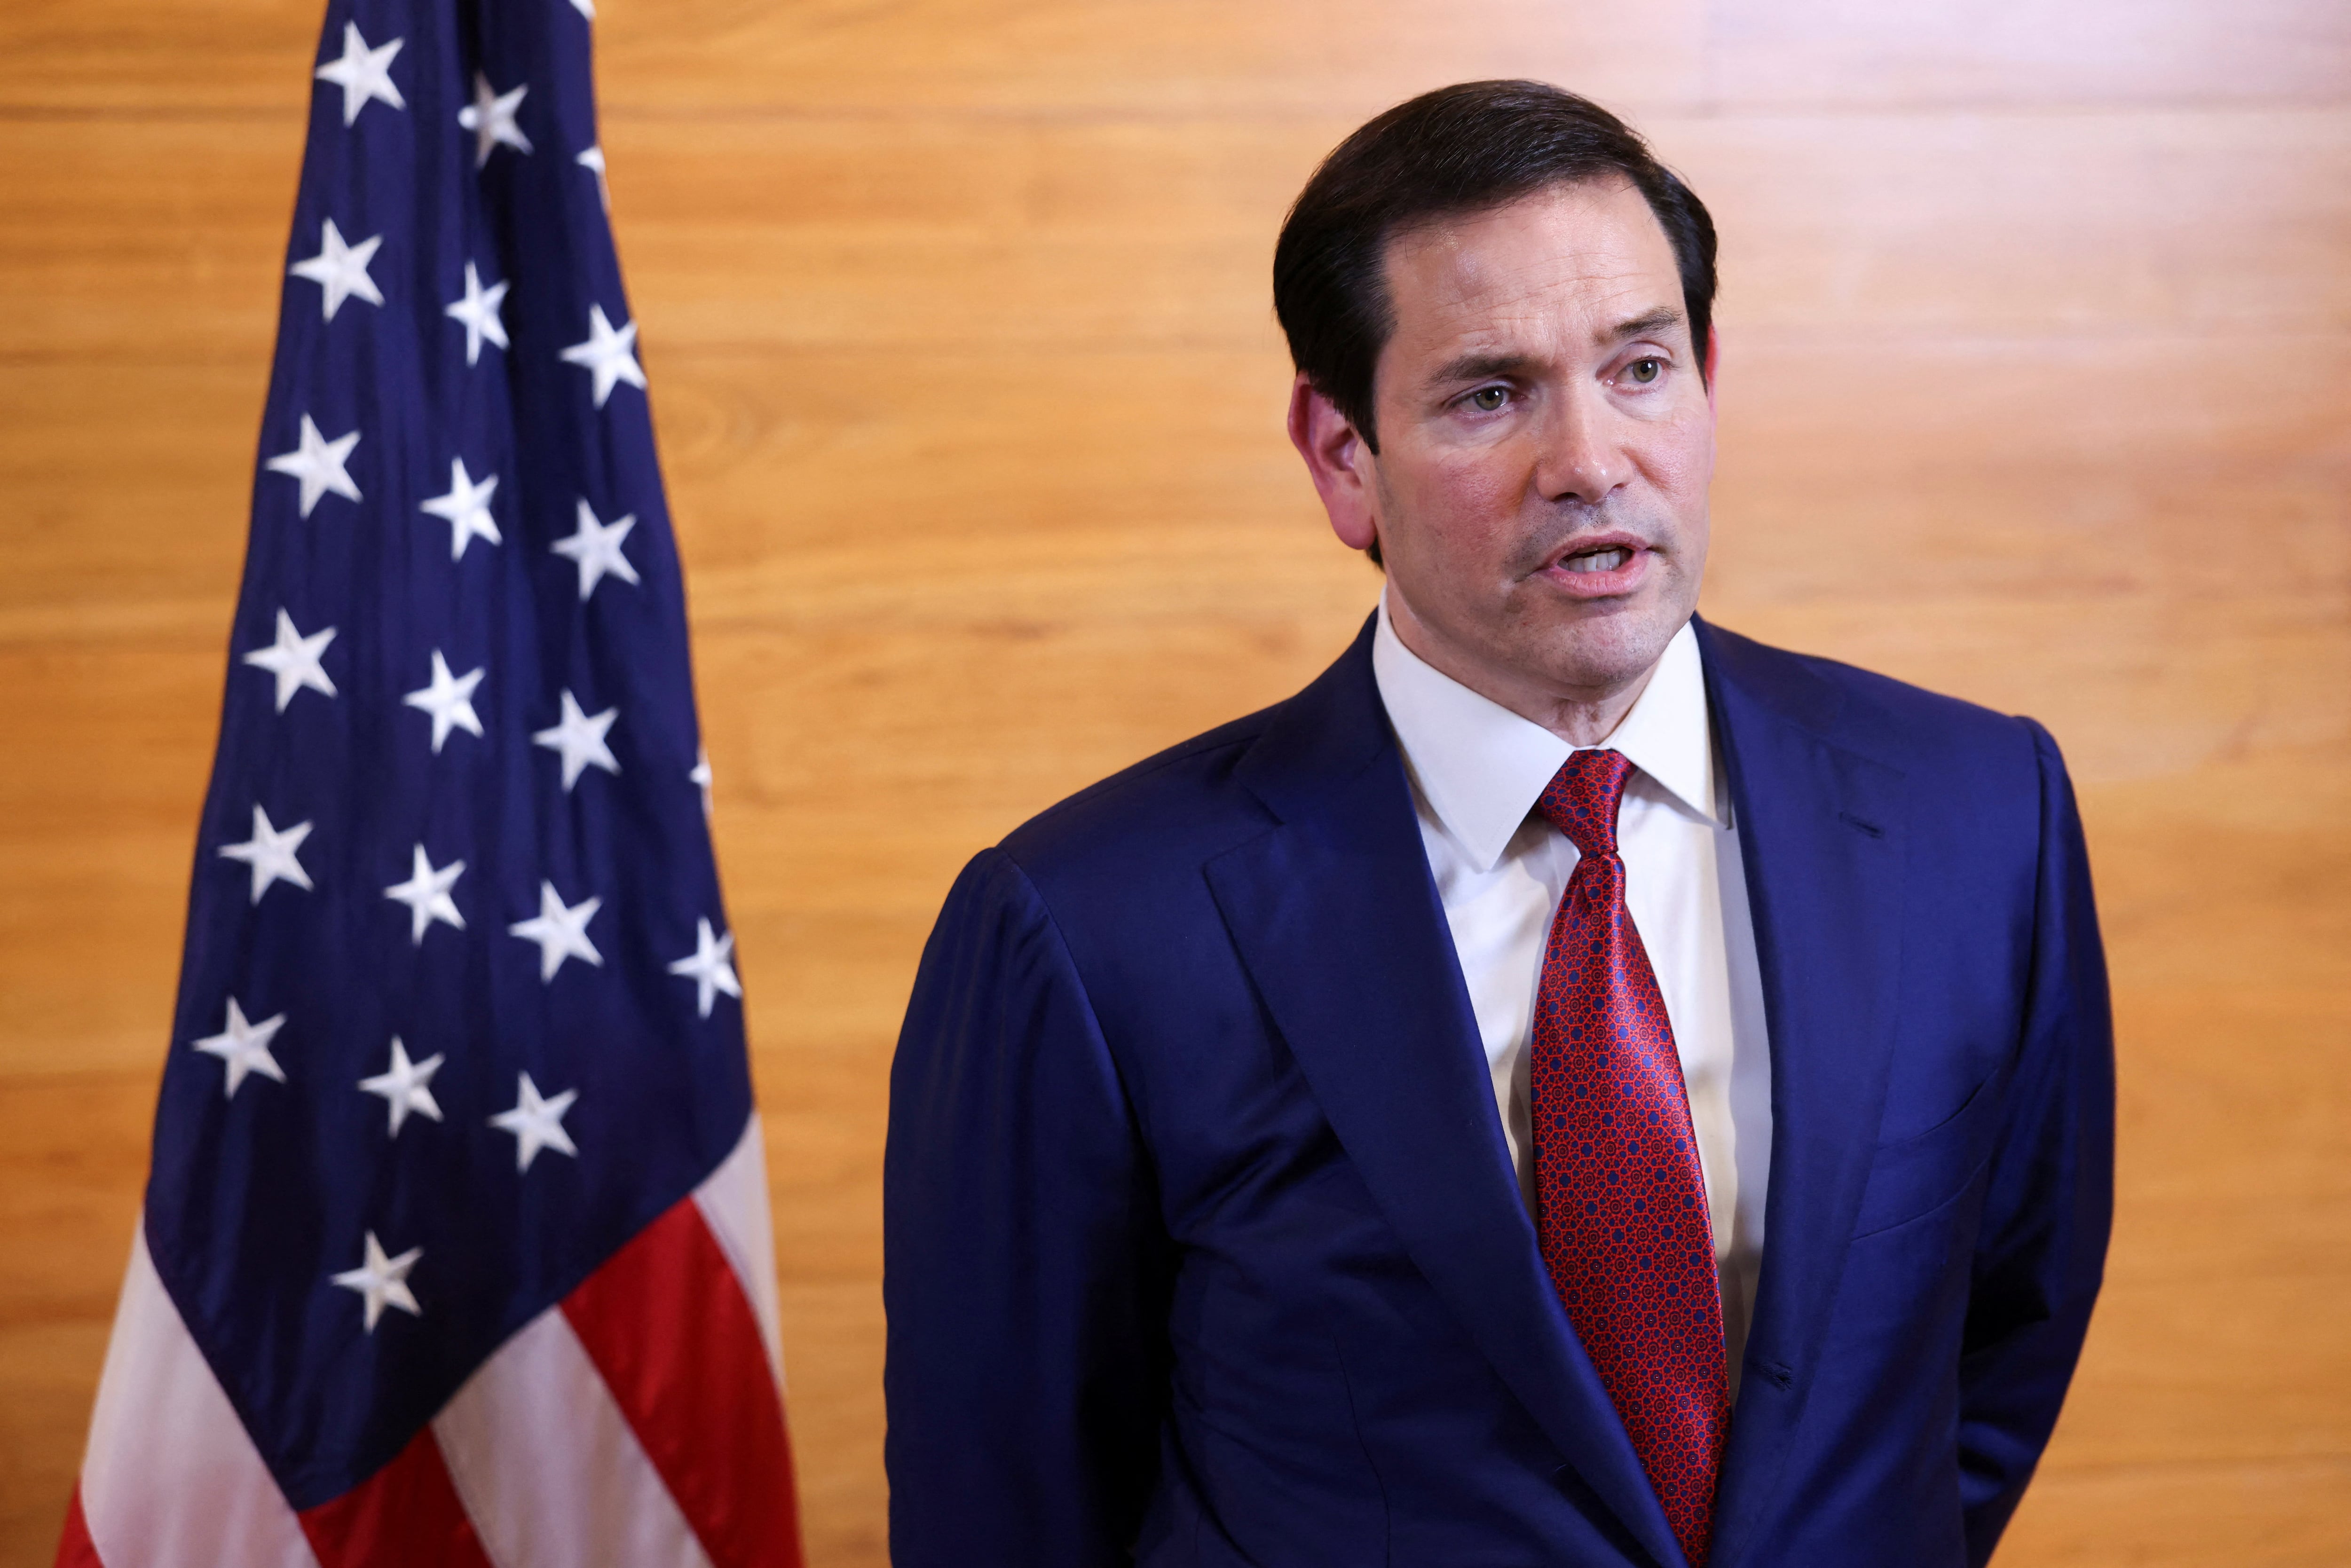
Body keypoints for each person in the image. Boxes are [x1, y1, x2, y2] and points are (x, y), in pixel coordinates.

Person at [883, 80, 2113, 1568]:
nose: (1591, 461)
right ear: (1345, 459)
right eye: (1490, 394)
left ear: (1710, 377)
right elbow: (1005, 1509)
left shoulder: (1981, 816)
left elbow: (1988, 1359)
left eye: (1641, 369)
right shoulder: (1083, 928)